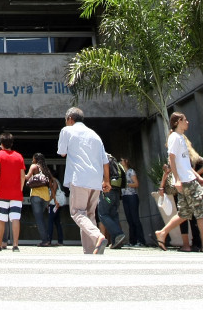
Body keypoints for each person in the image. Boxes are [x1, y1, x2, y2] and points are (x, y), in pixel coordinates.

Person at [155, 112, 203, 253]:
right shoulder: (174, 138)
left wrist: (198, 177)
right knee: (201, 211)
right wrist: (177, 179)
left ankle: (162, 233)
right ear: (178, 122)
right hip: (185, 181)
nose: (187, 122)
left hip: (188, 179)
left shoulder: (181, 138)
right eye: (185, 120)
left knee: (184, 213)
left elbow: (185, 163)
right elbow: (171, 159)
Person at [57, 107, 110, 254]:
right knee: (89, 214)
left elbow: (62, 153)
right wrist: (106, 181)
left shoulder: (67, 130)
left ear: (70, 119)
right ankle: (91, 250)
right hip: (96, 180)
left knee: (77, 212)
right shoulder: (95, 135)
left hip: (79, 177)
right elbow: (105, 161)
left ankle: (98, 236)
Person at [0, 132, 26, 252]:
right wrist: (20, 188)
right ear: (12, 143)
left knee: (1, 218)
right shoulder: (19, 156)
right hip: (16, 193)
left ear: (1, 144)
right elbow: (23, 176)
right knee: (15, 218)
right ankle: (15, 245)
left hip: (2, 192)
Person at [24, 154, 56, 247]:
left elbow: (27, 177)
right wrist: (53, 197)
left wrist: (20, 172)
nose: (32, 160)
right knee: (42, 218)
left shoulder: (34, 166)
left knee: (39, 219)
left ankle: (45, 241)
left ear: (35, 159)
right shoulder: (46, 169)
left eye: (33, 158)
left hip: (36, 196)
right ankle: (48, 239)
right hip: (46, 197)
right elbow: (52, 183)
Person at [98, 154, 126, 249]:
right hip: (116, 191)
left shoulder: (102, 158)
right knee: (113, 215)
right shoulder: (113, 159)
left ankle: (118, 234)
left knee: (103, 214)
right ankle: (116, 241)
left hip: (107, 190)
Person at [120, 156, 143, 246]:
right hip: (124, 196)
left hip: (132, 196)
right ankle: (132, 241)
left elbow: (136, 184)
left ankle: (141, 240)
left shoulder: (131, 171)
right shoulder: (121, 173)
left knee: (135, 218)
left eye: (122, 160)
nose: (120, 162)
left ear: (126, 161)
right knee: (129, 219)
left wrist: (126, 184)